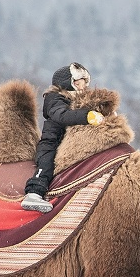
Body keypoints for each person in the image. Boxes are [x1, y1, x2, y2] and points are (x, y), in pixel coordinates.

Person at [20, 62, 103, 213]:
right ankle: (34, 193)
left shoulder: (79, 102)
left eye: (84, 83)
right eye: (77, 83)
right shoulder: (55, 99)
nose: (82, 87)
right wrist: (87, 116)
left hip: (71, 142)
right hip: (53, 141)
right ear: (67, 83)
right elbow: (62, 116)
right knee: (46, 162)